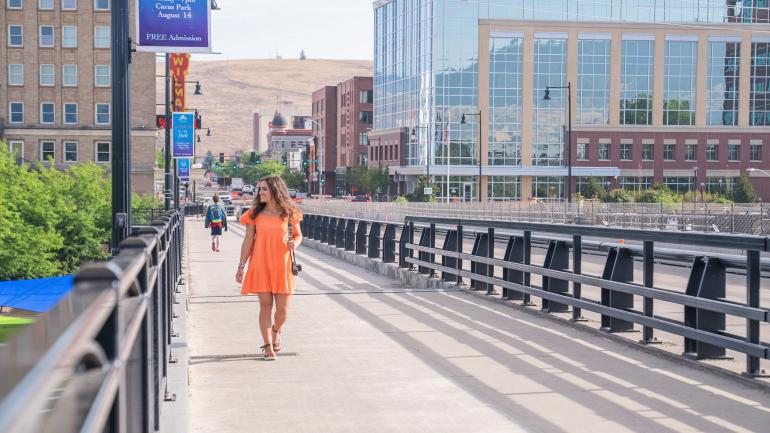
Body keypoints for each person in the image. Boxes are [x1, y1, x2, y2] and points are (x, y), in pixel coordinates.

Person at [236, 176, 303, 361]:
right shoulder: (253, 214)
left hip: (283, 265)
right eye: (260, 189)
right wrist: (241, 266)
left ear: (275, 190)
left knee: (282, 311)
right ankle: (267, 346)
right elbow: (248, 240)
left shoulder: (290, 212)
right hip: (260, 264)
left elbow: (298, 236)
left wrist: (294, 244)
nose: (260, 193)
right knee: (265, 307)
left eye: (264, 189)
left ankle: (275, 331)